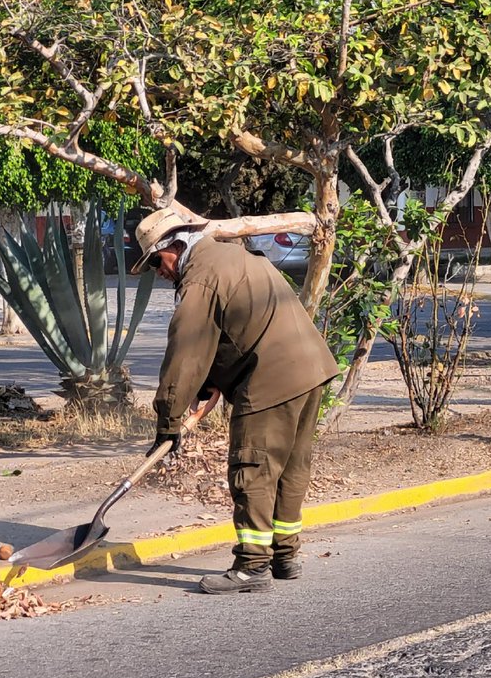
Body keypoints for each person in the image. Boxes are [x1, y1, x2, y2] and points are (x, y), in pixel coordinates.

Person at [131, 207, 339, 594]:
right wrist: (213, 383)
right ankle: (284, 554)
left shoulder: (201, 279)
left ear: (173, 246)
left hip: (271, 379)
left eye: (156, 262)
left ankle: (251, 567)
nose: (158, 273)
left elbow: (185, 355)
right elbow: (233, 331)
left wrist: (168, 422)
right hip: (311, 370)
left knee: (253, 468)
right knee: (290, 468)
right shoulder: (233, 256)